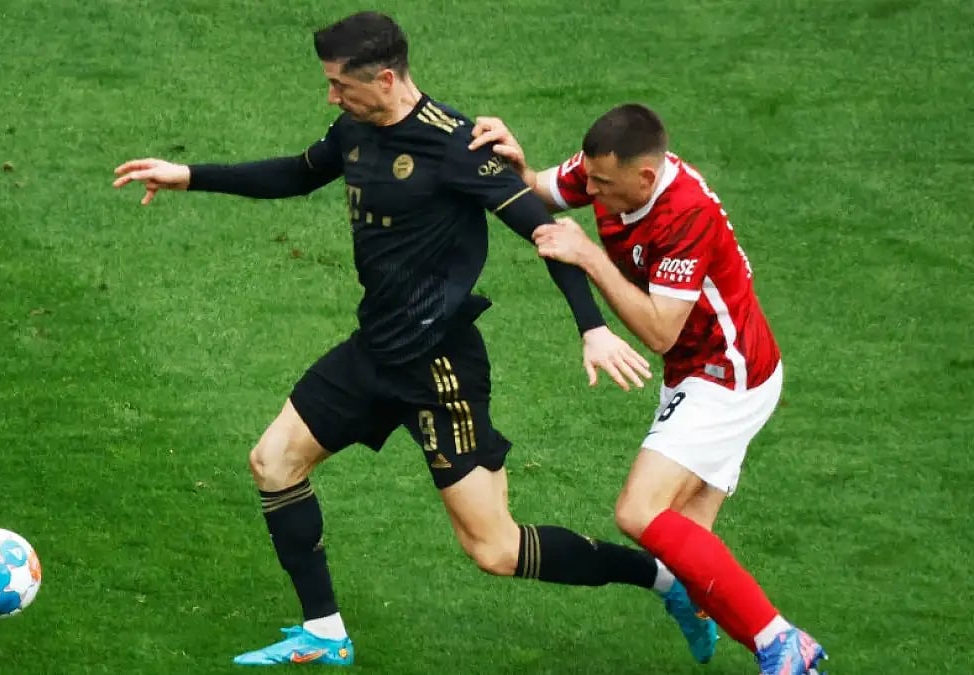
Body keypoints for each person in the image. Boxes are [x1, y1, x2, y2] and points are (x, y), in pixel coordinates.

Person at [113, 13, 715, 667]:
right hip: (374, 350)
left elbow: (548, 232)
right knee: (273, 462)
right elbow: (297, 172)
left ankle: (663, 580)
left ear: (388, 79)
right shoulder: (355, 128)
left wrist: (592, 327)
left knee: (495, 549)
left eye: (340, 85)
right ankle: (325, 631)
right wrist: (189, 175)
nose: (332, 98)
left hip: (441, 370)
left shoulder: (458, 146)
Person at [470, 103, 829, 674]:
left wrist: (590, 257)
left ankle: (784, 642)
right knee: (685, 541)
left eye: (602, 185)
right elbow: (543, 188)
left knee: (639, 511)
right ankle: (761, 642)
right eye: (588, 178)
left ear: (643, 177)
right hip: (703, 371)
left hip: (726, 375)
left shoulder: (684, 214)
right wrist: (518, 163)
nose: (589, 191)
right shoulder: (610, 170)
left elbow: (662, 331)